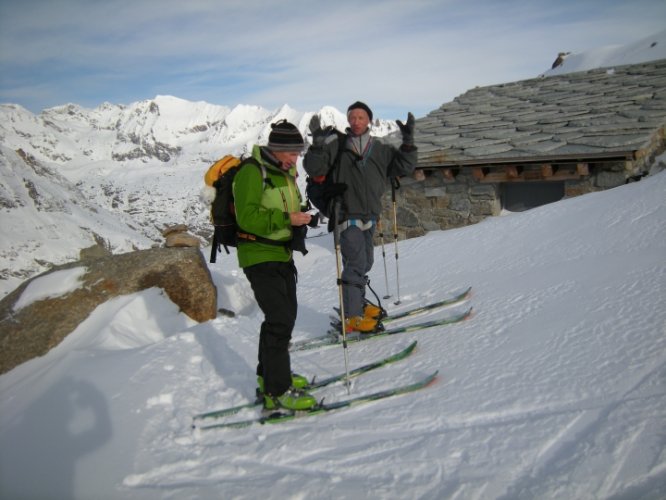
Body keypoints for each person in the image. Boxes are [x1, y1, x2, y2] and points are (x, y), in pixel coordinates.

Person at [304, 101, 417, 333]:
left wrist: (407, 143)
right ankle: (352, 317)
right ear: (348, 120)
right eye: (352, 117)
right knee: (355, 264)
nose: (356, 121)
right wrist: (316, 143)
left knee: (365, 262)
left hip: (370, 214)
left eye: (360, 117)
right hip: (346, 213)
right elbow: (314, 169)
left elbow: (403, 168)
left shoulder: (381, 148)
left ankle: (356, 305)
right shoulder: (336, 145)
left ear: (369, 121)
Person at [233, 119, 316, 411]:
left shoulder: (286, 173)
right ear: (277, 148)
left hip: (282, 254)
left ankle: (268, 376)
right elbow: (247, 217)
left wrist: (304, 215)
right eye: (292, 153)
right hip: (258, 254)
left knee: (283, 318)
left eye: (298, 153)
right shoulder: (251, 172)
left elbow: (291, 207)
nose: (296, 159)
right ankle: (276, 392)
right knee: (280, 320)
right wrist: (286, 220)